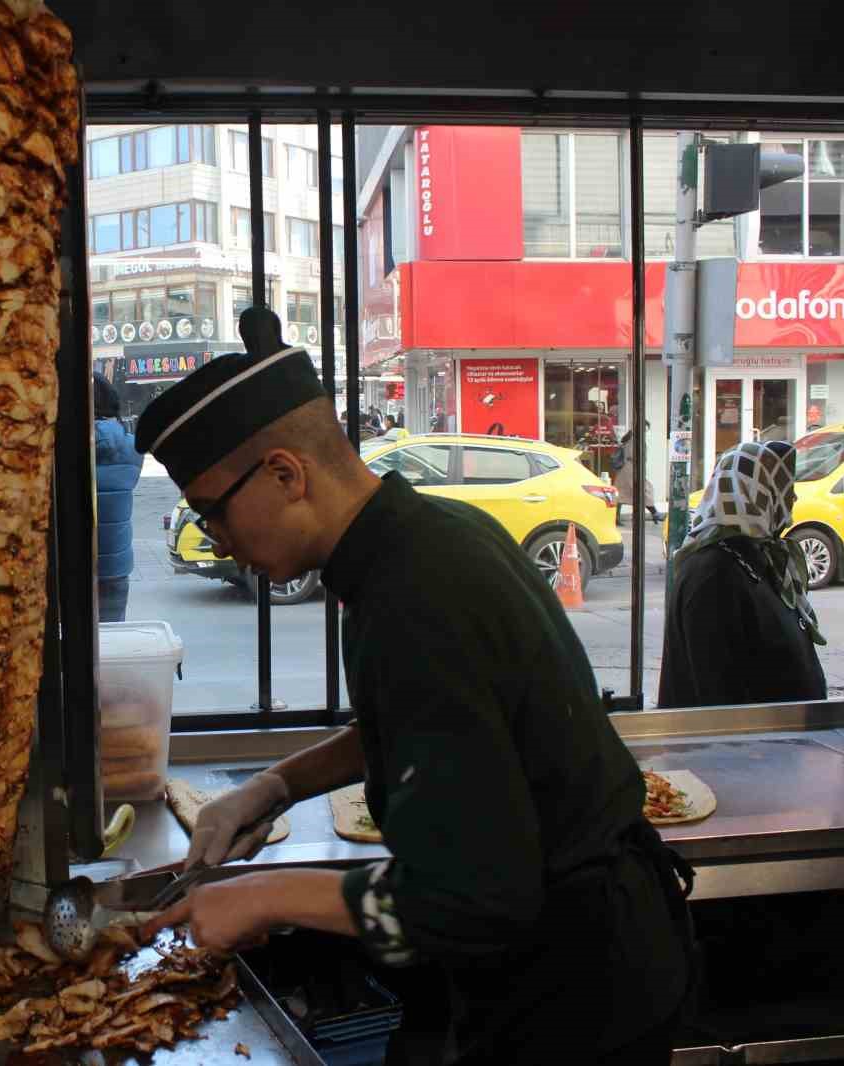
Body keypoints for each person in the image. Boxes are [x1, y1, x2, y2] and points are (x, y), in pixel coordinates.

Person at [132, 346, 694, 1065]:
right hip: (590, 951)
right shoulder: (425, 538)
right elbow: (421, 724)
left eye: (214, 513)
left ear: (284, 474)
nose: (220, 539)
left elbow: (472, 901)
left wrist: (261, 896)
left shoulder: (413, 596)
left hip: (576, 989)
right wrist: (271, 789)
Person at [658, 440, 826, 708]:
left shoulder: (759, 554)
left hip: (784, 741)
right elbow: (716, 692)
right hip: (745, 743)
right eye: (784, 490)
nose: (792, 500)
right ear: (753, 492)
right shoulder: (711, 574)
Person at [93, 373, 139, 623]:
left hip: (72, 564)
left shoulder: (65, 445)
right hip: (116, 566)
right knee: (112, 639)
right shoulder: (131, 447)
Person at [612, 427, 659, 525]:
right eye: (646, 429)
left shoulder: (629, 438)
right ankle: (654, 513)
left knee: (621, 494)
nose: (646, 431)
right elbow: (637, 455)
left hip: (625, 469)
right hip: (632, 469)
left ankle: (616, 518)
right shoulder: (636, 439)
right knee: (643, 491)